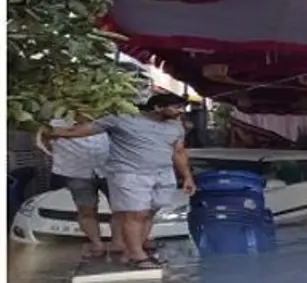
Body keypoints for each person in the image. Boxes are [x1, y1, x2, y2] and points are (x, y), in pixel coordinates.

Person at [45, 94, 196, 269]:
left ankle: (131, 251)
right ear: (157, 107)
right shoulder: (121, 119)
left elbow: (179, 152)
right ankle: (137, 256)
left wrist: (187, 177)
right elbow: (81, 131)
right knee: (136, 214)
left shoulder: (176, 126)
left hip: (163, 175)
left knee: (149, 213)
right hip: (130, 174)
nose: (181, 111)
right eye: (176, 107)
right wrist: (49, 132)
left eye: (182, 107)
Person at [46, 114, 115, 257]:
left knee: (121, 210)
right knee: (86, 210)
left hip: (109, 169)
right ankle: (97, 244)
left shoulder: (106, 118)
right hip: (76, 172)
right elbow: (44, 136)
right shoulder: (54, 123)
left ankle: (119, 243)